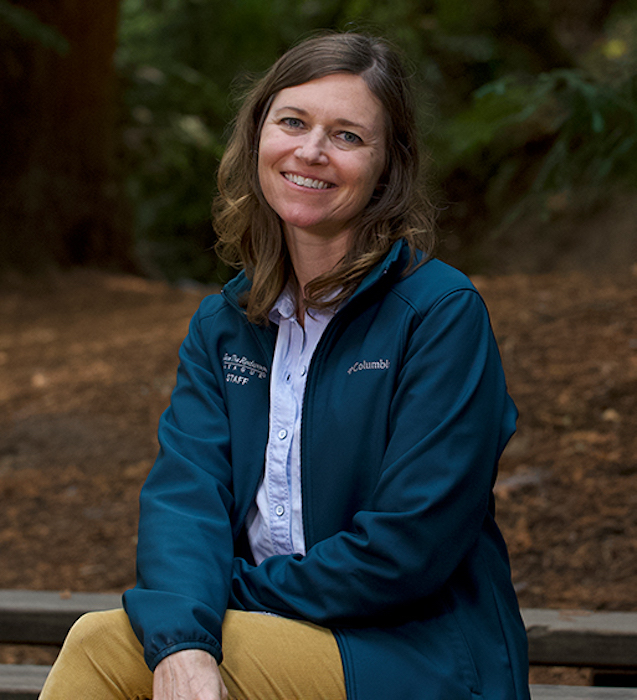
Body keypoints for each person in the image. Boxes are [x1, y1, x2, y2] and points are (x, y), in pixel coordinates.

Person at [40, 31, 530, 700]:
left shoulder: (437, 312)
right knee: (157, 654)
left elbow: (405, 549)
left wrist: (219, 598)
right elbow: (186, 500)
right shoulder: (226, 324)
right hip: (268, 635)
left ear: (388, 166)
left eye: (347, 136)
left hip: (413, 652)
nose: (310, 151)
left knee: (105, 649)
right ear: (258, 137)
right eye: (292, 122)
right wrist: (185, 637)